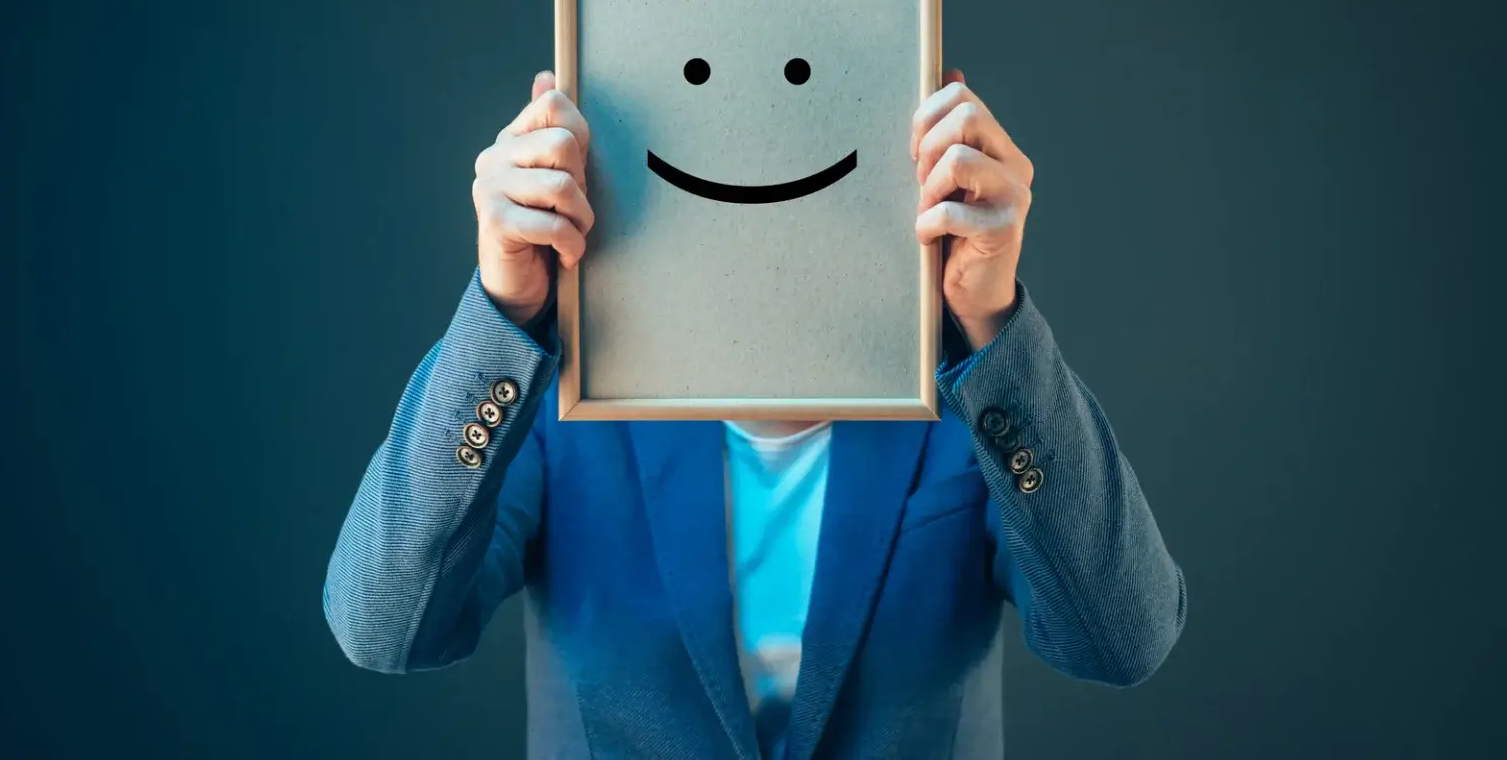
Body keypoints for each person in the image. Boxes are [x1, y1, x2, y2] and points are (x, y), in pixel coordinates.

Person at [324, 68, 1186, 760]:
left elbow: (1125, 637)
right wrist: (504, 313)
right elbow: (382, 624)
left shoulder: (973, 396)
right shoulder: (556, 400)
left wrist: (992, 320)